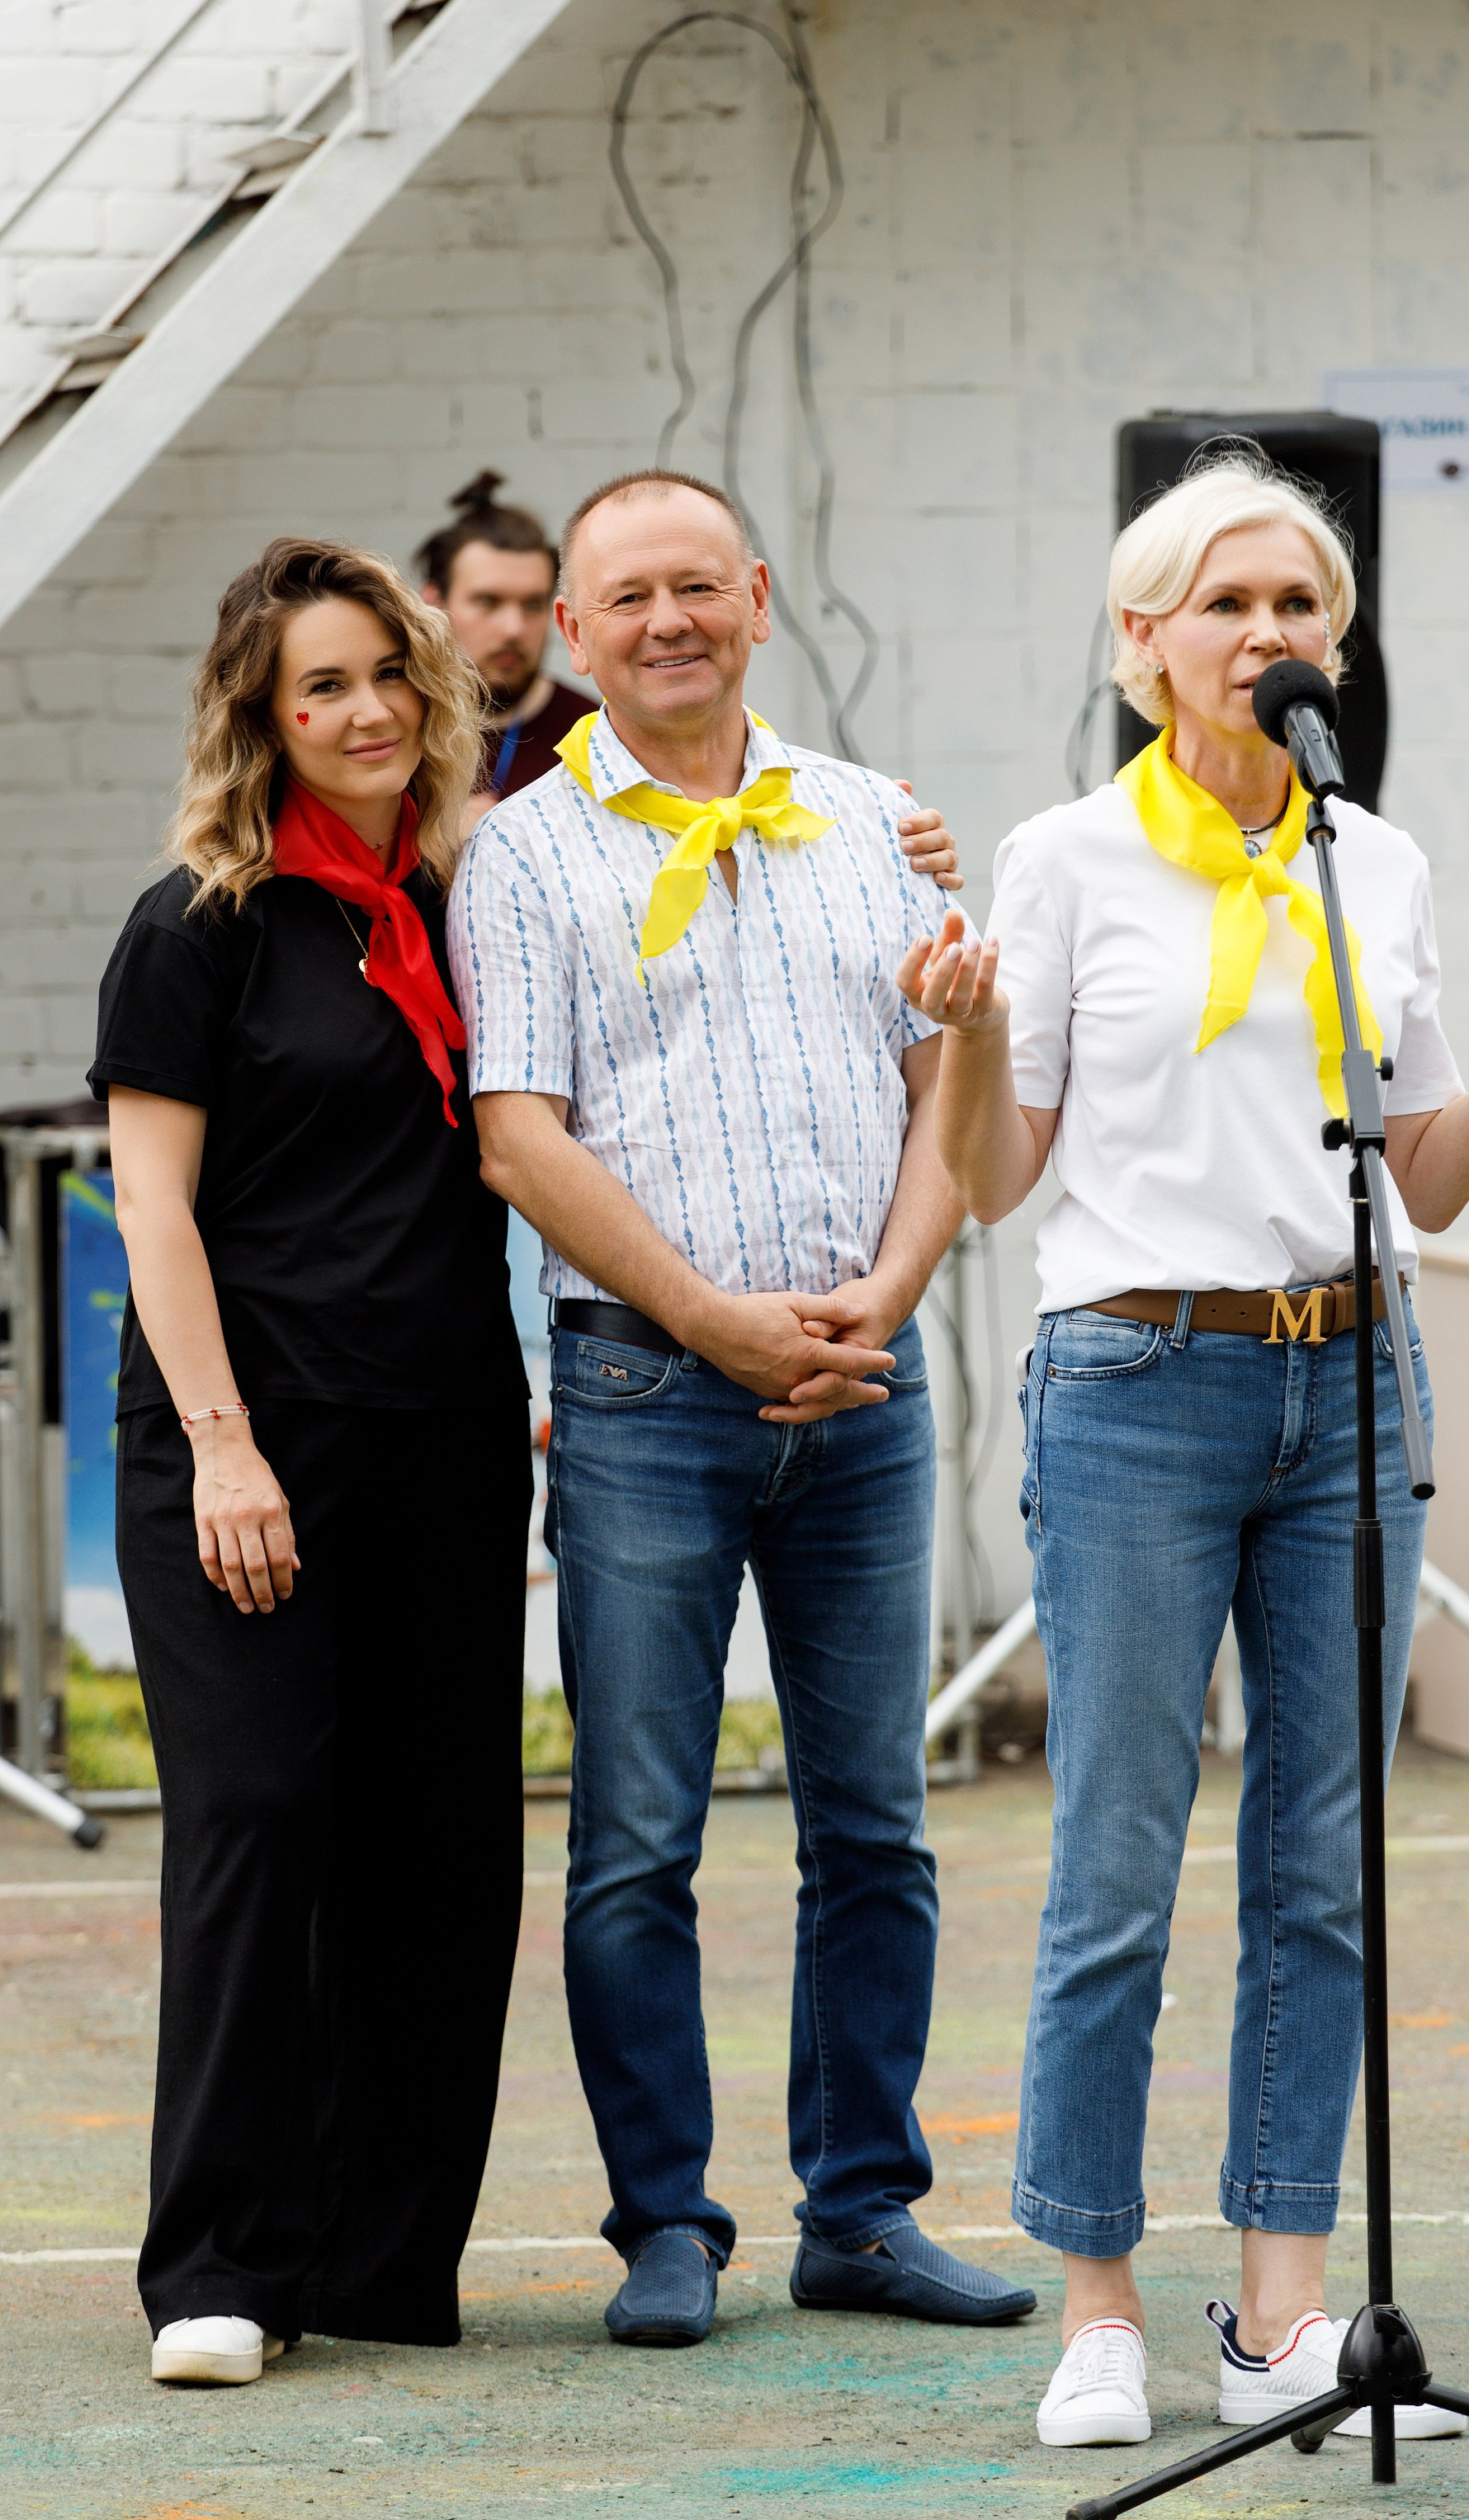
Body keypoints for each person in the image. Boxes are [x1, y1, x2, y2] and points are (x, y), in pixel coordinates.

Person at [904, 454, 1469, 2451]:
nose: (1274, 635)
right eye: (1232, 603)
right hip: (1138, 1382)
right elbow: (1000, 1177)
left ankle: (1282, 2318)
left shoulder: (1376, 863)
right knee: (1111, 1858)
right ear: (1143, 642)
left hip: (1348, 1377)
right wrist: (974, 1037)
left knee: (1320, 1868)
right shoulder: (1067, 859)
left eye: (1304, 608)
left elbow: (1417, 1161)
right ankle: (1095, 2306)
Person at [450, 467, 1037, 2350]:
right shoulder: (526, 856)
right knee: (639, 1834)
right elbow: (517, 1137)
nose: (665, 623)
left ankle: (861, 2212)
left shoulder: (873, 821)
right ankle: (663, 2226)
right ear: (570, 634)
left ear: (758, 598)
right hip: (643, 1390)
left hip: (863, 1382)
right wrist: (712, 1324)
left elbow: (947, 1067)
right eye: (625, 600)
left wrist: (891, 1286)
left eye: (695, 586)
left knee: (874, 1824)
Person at [92, 536, 530, 2386]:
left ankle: (374, 2255)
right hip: (243, 1439)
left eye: (385, 675)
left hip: (444, 1436)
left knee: (442, 1846)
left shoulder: (461, 904)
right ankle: (219, 2259)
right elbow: (154, 1205)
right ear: (261, 722)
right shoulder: (199, 919)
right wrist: (223, 1447)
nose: (363, 710)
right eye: (320, 686)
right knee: (261, 1819)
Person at [418, 471, 579, 815]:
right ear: (434, 604)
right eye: (488, 602)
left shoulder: (591, 735)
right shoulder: (395, 728)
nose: (513, 629)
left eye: (533, 605)